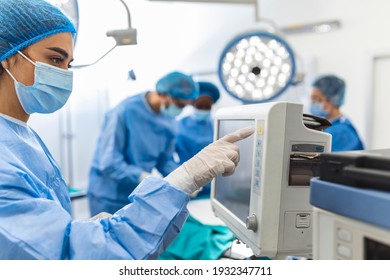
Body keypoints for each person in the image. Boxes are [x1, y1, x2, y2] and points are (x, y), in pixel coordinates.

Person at [0, 0, 254, 260]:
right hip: (112, 194)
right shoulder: (123, 112)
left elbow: (49, 236)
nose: (65, 74)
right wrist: (174, 182)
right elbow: (73, 256)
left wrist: (182, 176)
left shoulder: (21, 134)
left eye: (69, 64)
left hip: (144, 203)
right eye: (55, 59)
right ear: (8, 57)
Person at [87, 71, 199, 216]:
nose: (180, 110)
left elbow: (165, 161)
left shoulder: (170, 122)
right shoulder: (123, 112)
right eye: (179, 105)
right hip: (108, 196)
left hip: (138, 195)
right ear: (164, 95)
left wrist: (184, 179)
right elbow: (109, 163)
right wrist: (143, 177)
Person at [175, 81, 220, 198]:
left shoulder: (216, 125)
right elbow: (167, 158)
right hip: (187, 182)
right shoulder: (179, 125)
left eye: (207, 107)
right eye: (200, 106)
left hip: (214, 183)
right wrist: (181, 180)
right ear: (192, 103)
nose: (203, 109)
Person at [309, 74, 364, 152]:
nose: (313, 103)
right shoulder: (326, 126)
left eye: (316, 99)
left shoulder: (343, 132)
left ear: (332, 100)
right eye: (312, 99)